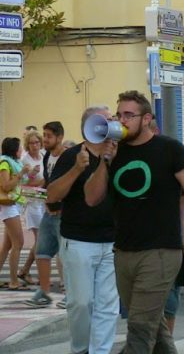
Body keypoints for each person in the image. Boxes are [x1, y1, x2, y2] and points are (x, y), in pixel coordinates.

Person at [84, 90, 184, 353]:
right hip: (124, 252)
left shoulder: (170, 149)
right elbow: (92, 198)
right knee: (151, 326)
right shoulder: (113, 152)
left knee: (140, 329)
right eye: (118, 115)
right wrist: (104, 161)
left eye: (128, 115)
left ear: (146, 119)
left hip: (161, 252)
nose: (121, 121)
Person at [46, 106, 120, 354]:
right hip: (78, 241)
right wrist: (78, 168)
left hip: (112, 241)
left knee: (108, 305)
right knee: (80, 303)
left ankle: (100, 351)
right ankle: (80, 349)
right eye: (105, 120)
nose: (110, 123)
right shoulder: (72, 156)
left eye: (111, 119)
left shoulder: (119, 153)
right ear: (89, 125)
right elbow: (53, 196)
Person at [25, 121, 67, 308]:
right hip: (49, 211)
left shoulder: (67, 156)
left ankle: (71, 292)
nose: (45, 139)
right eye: (45, 135)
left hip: (63, 213)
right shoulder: (47, 156)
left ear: (59, 137)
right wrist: (35, 189)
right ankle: (44, 291)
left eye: (49, 135)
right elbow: (48, 179)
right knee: (42, 251)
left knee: (66, 255)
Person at [0, 137, 31, 291]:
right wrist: (20, 174)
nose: (22, 151)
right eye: (20, 148)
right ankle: (13, 281)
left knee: (7, 245)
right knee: (18, 243)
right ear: (14, 149)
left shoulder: (14, 163)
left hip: (14, 205)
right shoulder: (4, 163)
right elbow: (5, 186)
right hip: (8, 206)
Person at [17, 131, 46, 285]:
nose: (35, 145)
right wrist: (37, 179)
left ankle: (24, 270)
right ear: (27, 144)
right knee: (41, 239)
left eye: (37, 142)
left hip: (43, 200)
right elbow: (22, 185)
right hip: (31, 202)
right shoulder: (25, 160)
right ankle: (27, 270)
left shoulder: (43, 156)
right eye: (31, 143)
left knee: (41, 239)